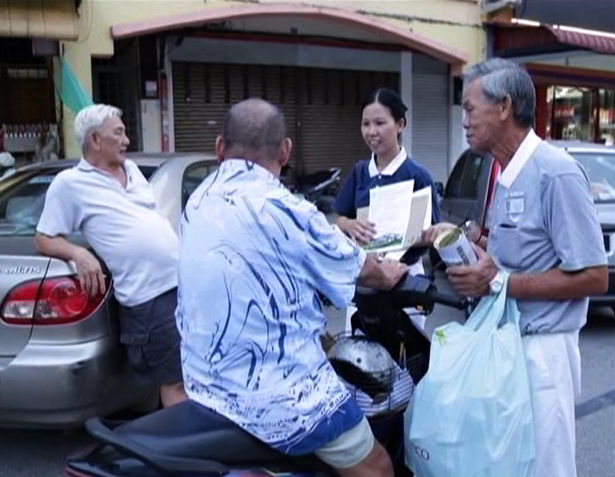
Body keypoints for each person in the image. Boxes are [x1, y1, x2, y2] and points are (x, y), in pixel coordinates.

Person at [177, 98, 410, 477]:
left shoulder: (198, 199)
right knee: (378, 467)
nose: (372, 131)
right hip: (278, 394)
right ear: (285, 151)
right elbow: (365, 270)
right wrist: (393, 273)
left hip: (205, 382)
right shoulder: (287, 209)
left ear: (220, 147)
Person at [422, 58, 608, 477]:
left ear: (504, 106)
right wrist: (469, 243)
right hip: (505, 345)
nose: (463, 121)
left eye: (470, 109)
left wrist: (497, 280)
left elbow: (594, 275)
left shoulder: (555, 172)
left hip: (543, 352)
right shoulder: (503, 172)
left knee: (545, 467)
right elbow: (521, 250)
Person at [35, 104, 186, 408]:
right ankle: (184, 448)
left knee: (188, 373)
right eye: (118, 133)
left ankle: (182, 436)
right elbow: (44, 237)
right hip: (149, 297)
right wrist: (78, 252)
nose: (127, 140)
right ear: (95, 140)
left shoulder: (130, 170)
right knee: (175, 380)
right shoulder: (70, 184)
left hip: (180, 284)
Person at [334, 88, 440, 246]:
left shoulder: (417, 176)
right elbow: (340, 218)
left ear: (400, 125)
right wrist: (350, 225)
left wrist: (393, 240)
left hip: (406, 268)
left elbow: (432, 234)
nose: (371, 132)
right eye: (365, 124)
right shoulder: (359, 172)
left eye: (379, 123)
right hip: (363, 266)